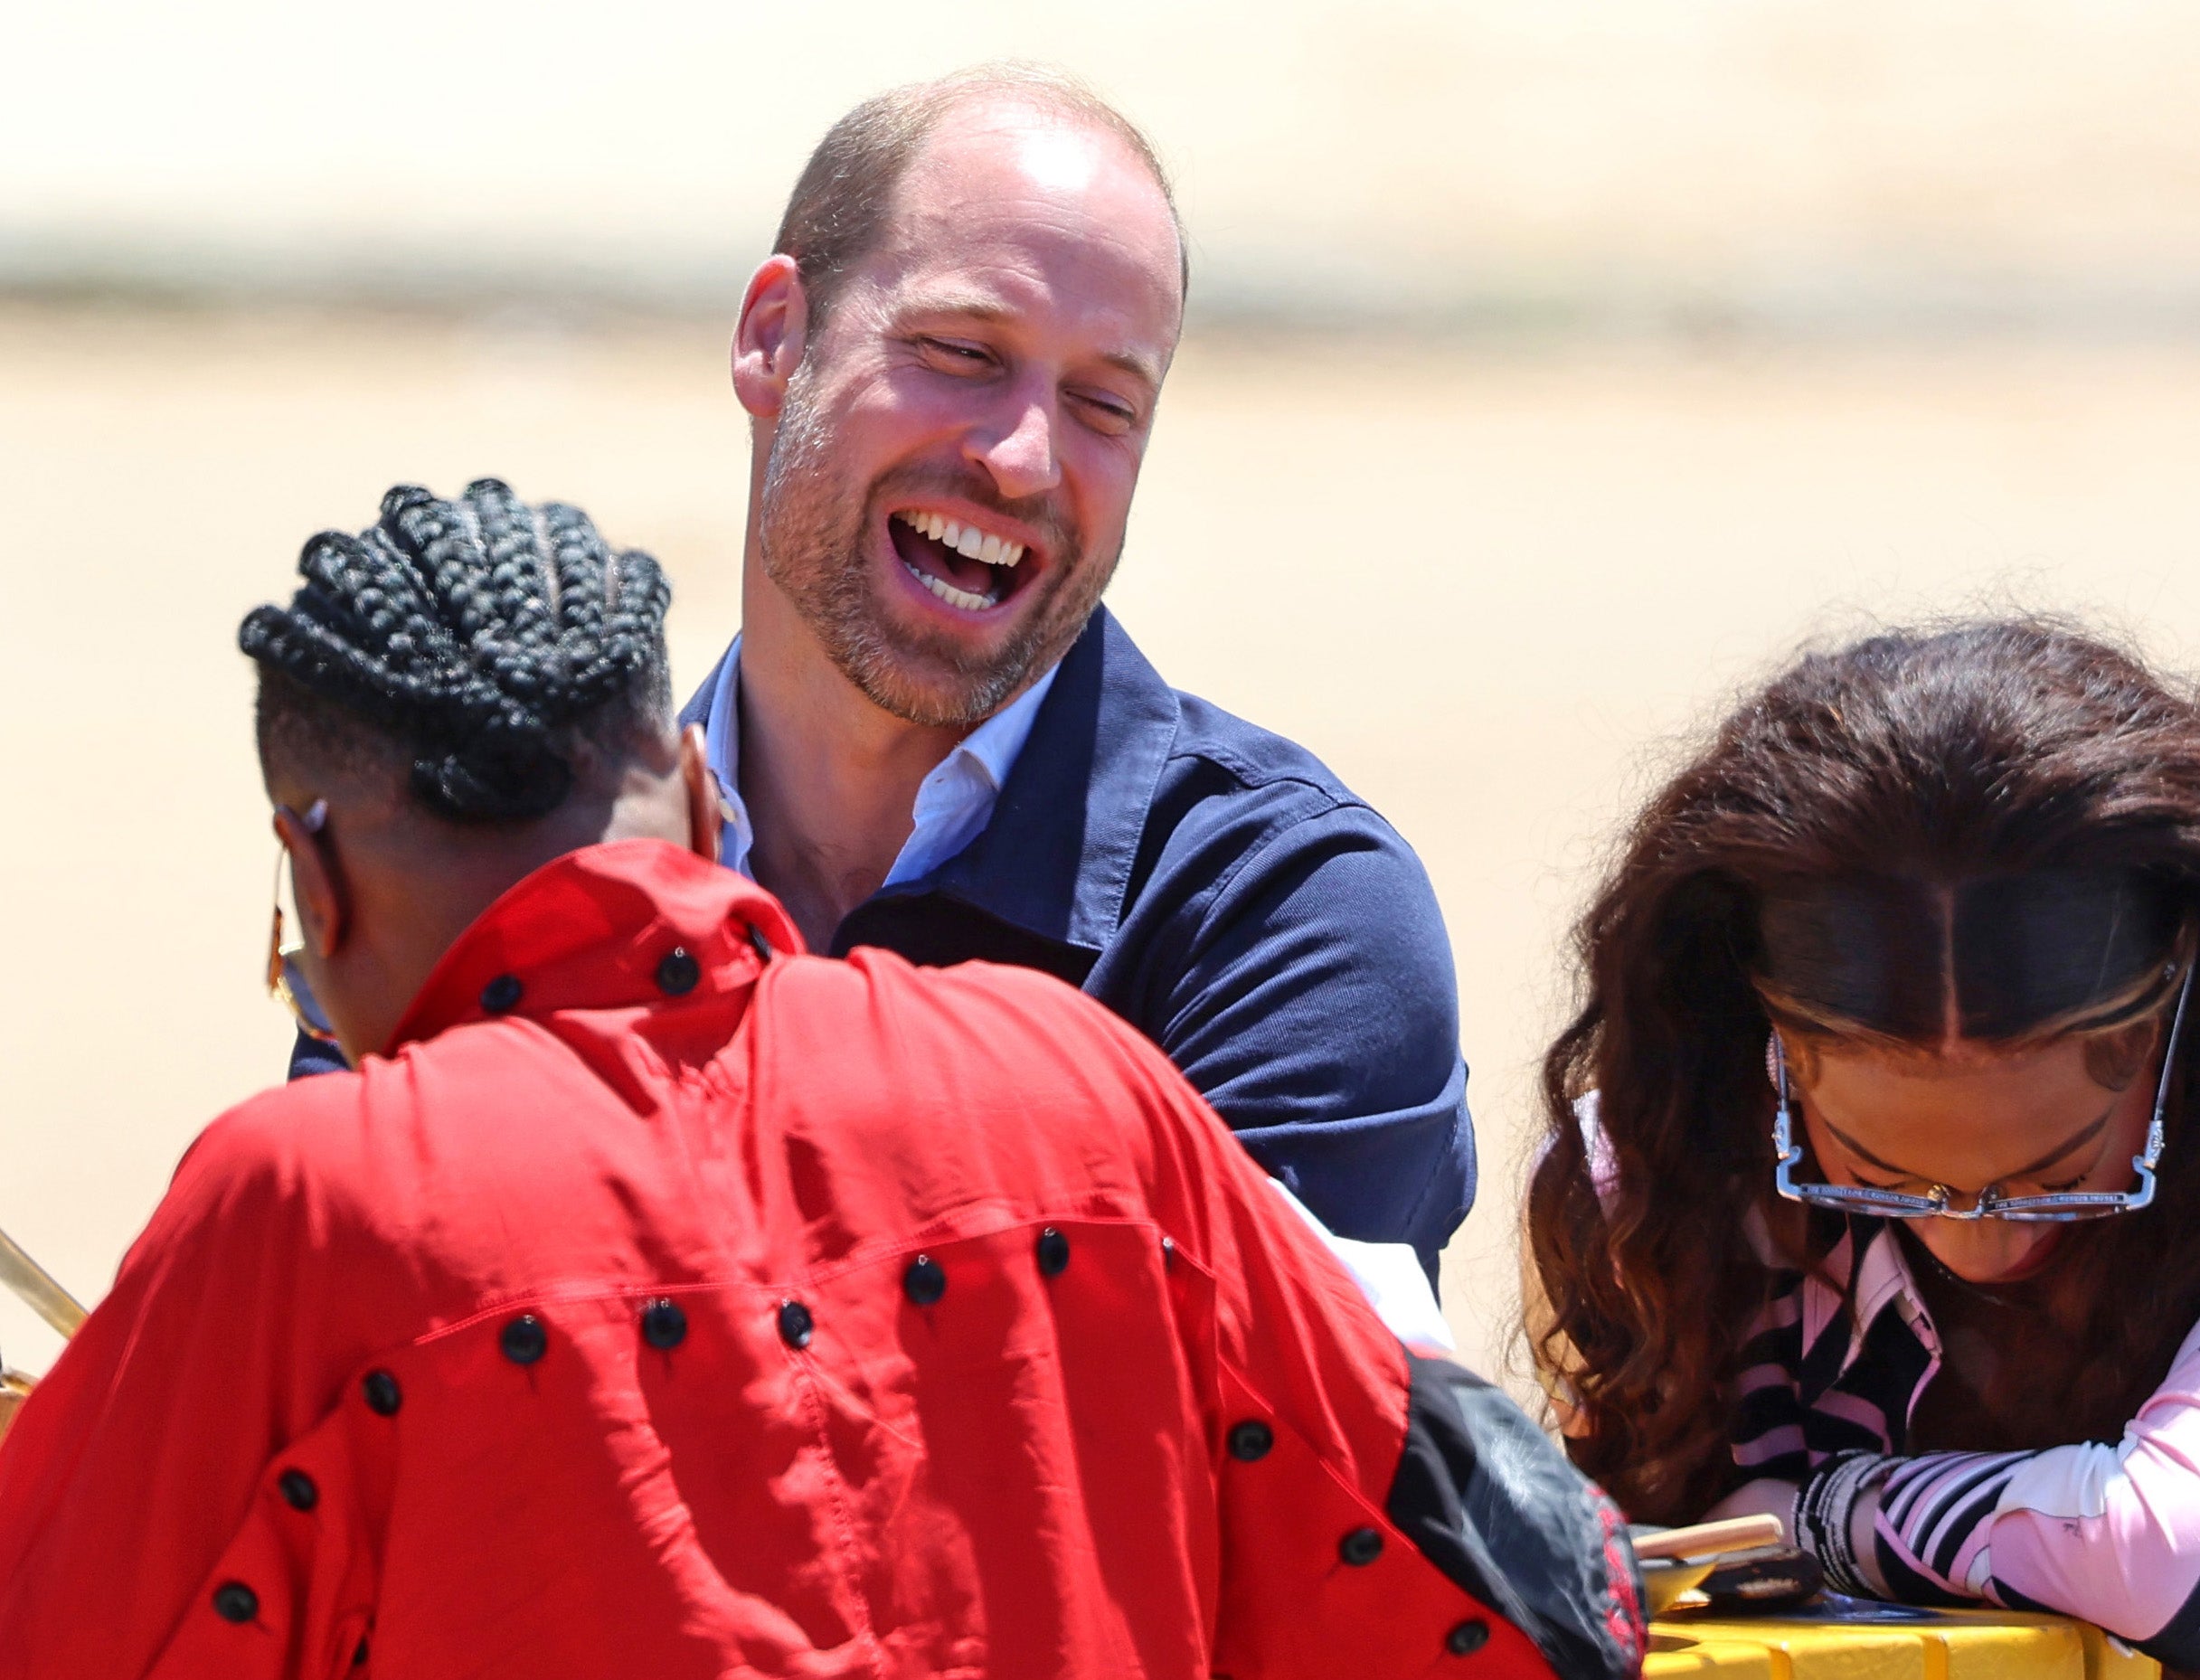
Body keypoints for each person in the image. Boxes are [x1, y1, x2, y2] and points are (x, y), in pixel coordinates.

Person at [0, 482, 1640, 1680]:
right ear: (702, 797)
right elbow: (1513, 1593)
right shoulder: (1072, 1074)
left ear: (317, 881)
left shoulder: (308, 1198)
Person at [681, 65, 1470, 1273]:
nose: (1023, 458)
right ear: (772, 337)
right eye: (959, 350)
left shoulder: (1274, 919)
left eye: (1105, 404)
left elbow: (1205, 1451)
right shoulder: (517, 854)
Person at [1526, 619, 2200, 1666]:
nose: (1974, 1242)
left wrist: (1817, 1516)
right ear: (1769, 1047)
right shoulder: (1650, 1193)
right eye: (1886, 1173)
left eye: (2055, 1175)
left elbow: (2166, 1556)